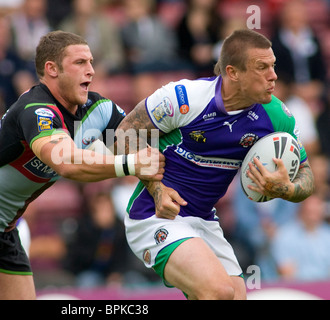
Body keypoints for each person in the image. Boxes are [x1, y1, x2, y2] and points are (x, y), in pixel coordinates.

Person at [0, 30, 164, 300]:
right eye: (79, 63)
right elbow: (67, 163)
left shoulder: (100, 109)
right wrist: (131, 165)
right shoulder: (36, 109)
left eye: (91, 62)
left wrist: (160, 189)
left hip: (5, 229)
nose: (91, 71)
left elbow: (143, 147)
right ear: (52, 69)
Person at [117, 29, 315, 300]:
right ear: (233, 72)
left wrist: (287, 189)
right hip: (155, 215)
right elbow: (125, 132)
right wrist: (156, 188)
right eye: (262, 68)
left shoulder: (276, 117)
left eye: (273, 66)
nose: (273, 76)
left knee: (234, 296)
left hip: (205, 221)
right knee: (218, 291)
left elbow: (307, 176)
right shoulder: (185, 98)